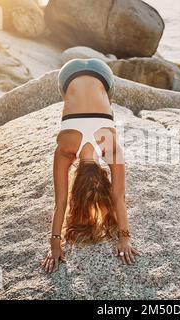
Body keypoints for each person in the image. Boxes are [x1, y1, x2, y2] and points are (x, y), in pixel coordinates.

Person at [41, 58, 141, 273]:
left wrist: (56, 246)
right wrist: (123, 240)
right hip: (70, 75)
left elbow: (61, 202)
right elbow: (117, 198)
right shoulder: (67, 148)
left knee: (104, 103)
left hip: (98, 75)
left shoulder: (109, 145)